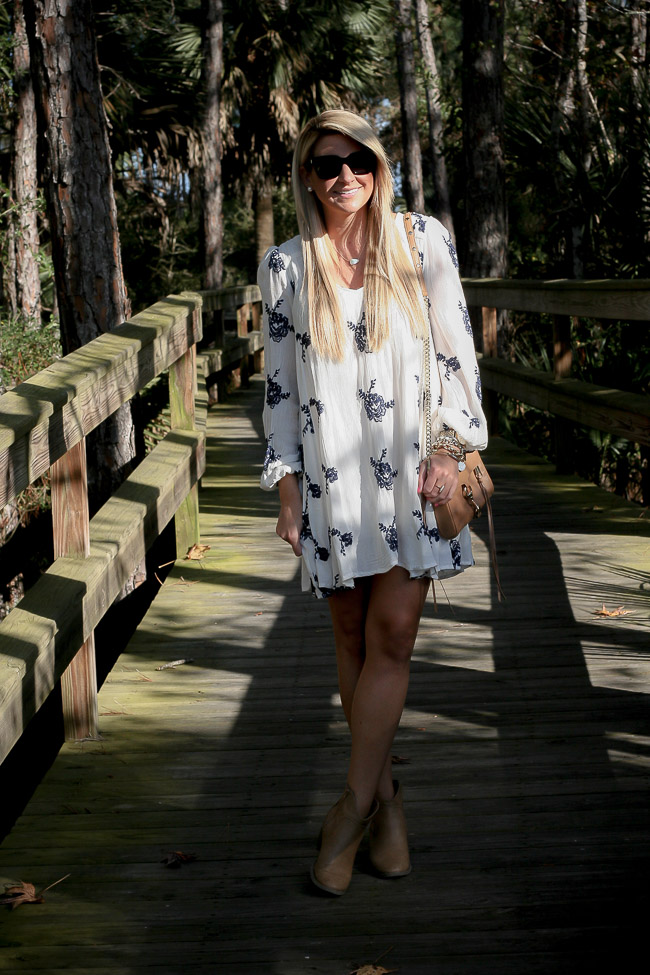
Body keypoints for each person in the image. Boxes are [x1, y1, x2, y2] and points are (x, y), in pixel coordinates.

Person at [258, 110, 487, 896]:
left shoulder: (421, 241)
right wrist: (286, 487)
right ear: (308, 176)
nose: (345, 176)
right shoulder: (287, 267)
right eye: (327, 164)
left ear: (379, 166)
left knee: (392, 633)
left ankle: (351, 808)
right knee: (352, 633)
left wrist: (452, 447)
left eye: (359, 160)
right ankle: (388, 802)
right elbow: (281, 391)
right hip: (331, 482)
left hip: (414, 475)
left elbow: (457, 355)